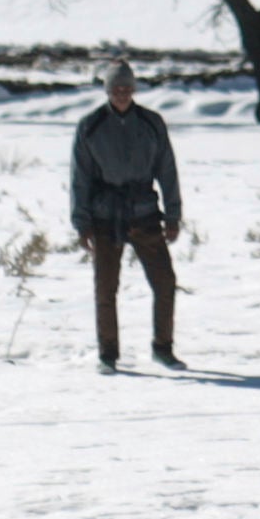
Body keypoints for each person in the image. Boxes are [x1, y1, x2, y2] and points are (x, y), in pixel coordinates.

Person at [72, 58, 184, 370]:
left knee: (165, 283)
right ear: (107, 90)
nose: (122, 93)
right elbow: (80, 178)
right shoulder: (90, 126)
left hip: (145, 213)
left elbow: (168, 170)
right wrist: (82, 224)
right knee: (106, 288)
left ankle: (163, 347)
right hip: (105, 217)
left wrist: (172, 216)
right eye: (116, 88)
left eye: (127, 88)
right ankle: (108, 354)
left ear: (134, 89)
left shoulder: (151, 123)